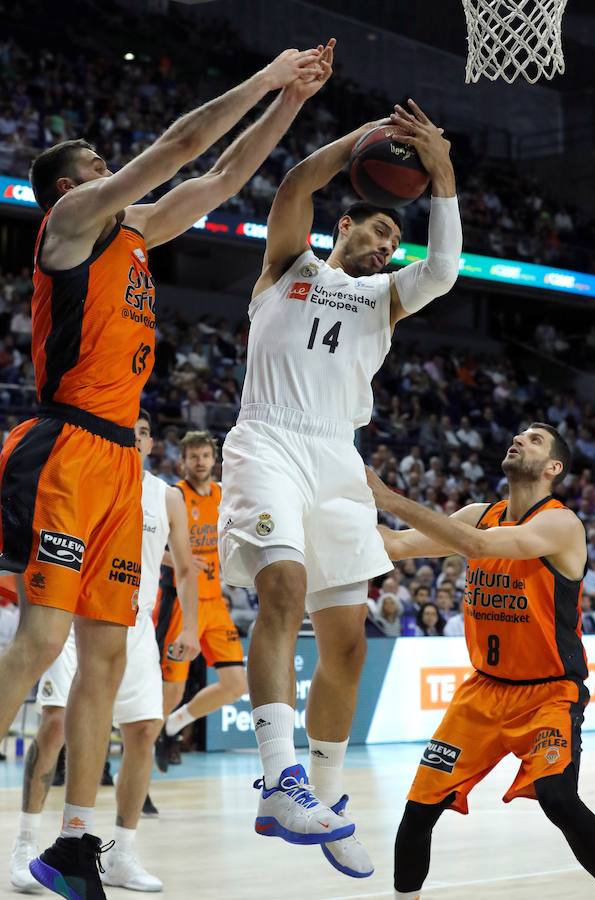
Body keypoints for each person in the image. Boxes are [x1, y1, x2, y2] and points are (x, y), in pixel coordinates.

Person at [0, 42, 334, 899]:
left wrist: (291, 99)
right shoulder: (69, 228)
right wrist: (264, 74)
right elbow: (183, 145)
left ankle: (75, 842)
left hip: (120, 462)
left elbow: (222, 175)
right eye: (102, 165)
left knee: (106, 658)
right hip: (66, 446)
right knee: (41, 641)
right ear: (73, 187)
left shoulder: (140, 234)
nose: (119, 172)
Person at [217, 96, 461, 876]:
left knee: (348, 644)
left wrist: (443, 172)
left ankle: (321, 795)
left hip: (338, 458)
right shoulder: (289, 268)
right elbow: (292, 185)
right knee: (282, 588)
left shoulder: (386, 299)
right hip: (270, 438)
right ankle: (279, 777)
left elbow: (446, 269)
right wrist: (363, 138)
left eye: (394, 237)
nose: (386, 244)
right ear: (344, 230)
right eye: (377, 229)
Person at [367, 423, 595, 897]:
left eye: (534, 439)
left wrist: (388, 496)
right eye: (518, 435)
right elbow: (393, 545)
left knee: (557, 799)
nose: (518, 439)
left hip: (550, 693)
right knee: (419, 809)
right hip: (483, 690)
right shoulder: (479, 514)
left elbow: (478, 548)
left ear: (554, 467)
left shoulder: (561, 523)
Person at [10, 410, 198, 893]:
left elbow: (185, 568)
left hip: (134, 627)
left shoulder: (166, 495)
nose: (131, 438)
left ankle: (122, 854)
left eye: (140, 433)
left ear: (151, 443)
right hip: (76, 621)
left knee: (143, 732)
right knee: (53, 724)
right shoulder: (89, 472)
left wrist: (191, 626)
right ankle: (25, 843)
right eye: (125, 429)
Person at [154, 431, 247, 762]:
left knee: (236, 684)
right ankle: (141, 770)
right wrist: (175, 559)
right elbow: (145, 541)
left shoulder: (222, 495)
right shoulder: (173, 496)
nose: (200, 462)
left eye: (205, 456)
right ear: (182, 461)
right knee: (171, 690)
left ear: (214, 460)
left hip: (215, 601)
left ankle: (174, 724)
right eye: (193, 456)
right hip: (180, 602)